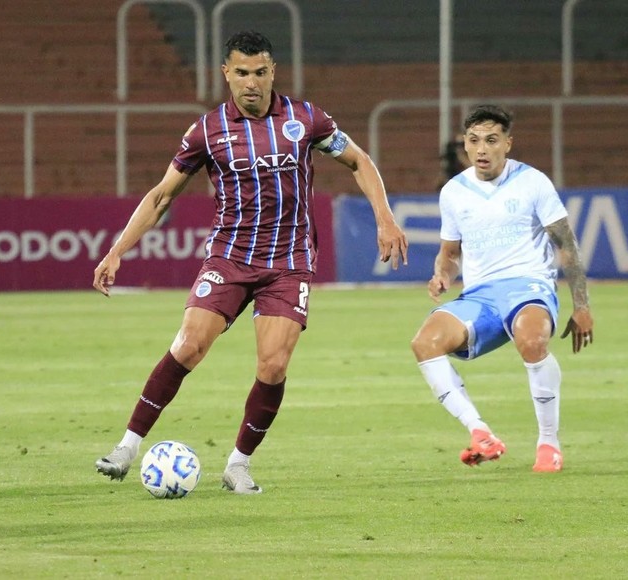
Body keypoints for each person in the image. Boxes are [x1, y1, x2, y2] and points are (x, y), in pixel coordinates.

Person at [92, 30, 408, 494]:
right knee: (189, 345)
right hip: (230, 257)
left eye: (260, 72)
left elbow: (359, 161)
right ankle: (127, 445)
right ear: (226, 74)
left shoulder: (306, 119)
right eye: (242, 73)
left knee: (273, 366)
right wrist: (118, 250)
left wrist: (385, 218)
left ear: (273, 72)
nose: (251, 83)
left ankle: (238, 464)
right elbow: (161, 196)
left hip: (289, 262)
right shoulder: (208, 129)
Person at [410, 104, 593, 473]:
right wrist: (442, 274)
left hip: (529, 287)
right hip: (480, 297)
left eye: (491, 140)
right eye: (474, 141)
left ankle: (548, 443)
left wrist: (581, 305)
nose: (482, 149)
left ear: (508, 144)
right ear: (465, 143)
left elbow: (567, 244)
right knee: (424, 343)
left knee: (532, 341)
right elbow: (449, 254)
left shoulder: (532, 182)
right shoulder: (454, 192)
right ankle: (480, 433)